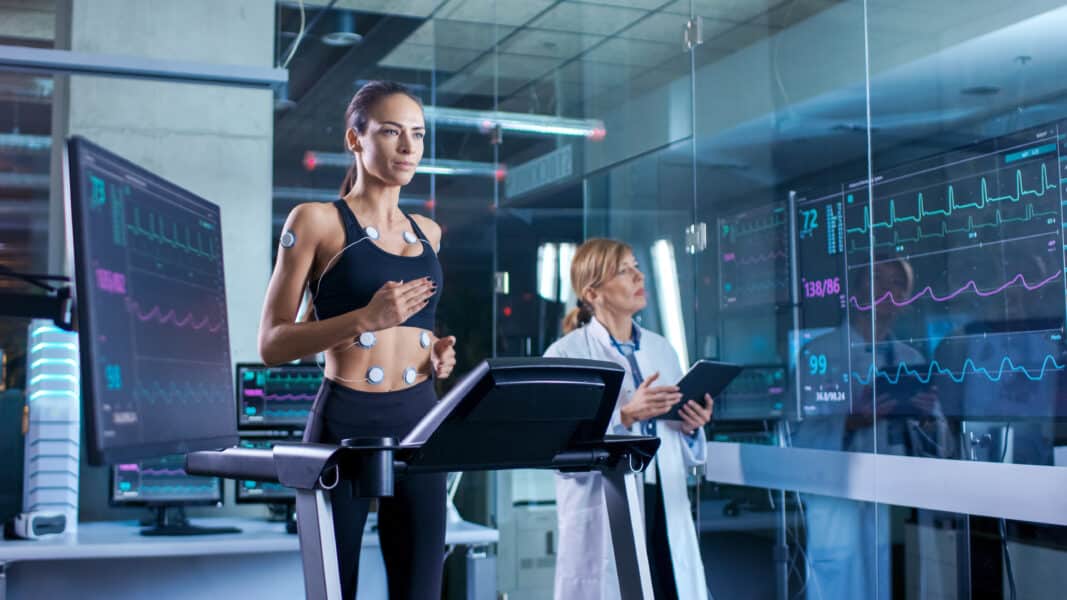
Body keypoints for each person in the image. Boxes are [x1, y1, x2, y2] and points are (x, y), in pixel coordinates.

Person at [257, 80, 457, 600]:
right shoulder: (317, 221)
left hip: (419, 419)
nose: (409, 147)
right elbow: (274, 343)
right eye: (391, 132)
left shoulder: (429, 232)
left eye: (417, 134)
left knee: (421, 591)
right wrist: (366, 319)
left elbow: (414, 325)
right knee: (331, 589)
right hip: (345, 418)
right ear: (356, 139)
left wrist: (434, 351)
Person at [544, 238, 713, 600]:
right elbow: (557, 452)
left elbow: (679, 444)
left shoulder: (662, 348)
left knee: (669, 586)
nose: (640, 276)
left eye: (637, 266)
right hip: (609, 506)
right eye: (625, 270)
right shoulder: (567, 355)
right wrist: (624, 416)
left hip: (663, 501)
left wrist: (690, 427)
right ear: (593, 292)